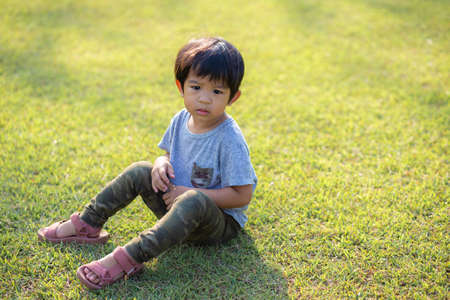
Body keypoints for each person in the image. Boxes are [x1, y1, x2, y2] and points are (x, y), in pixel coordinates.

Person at [38, 37, 258, 290]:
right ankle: (88, 223)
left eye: (217, 91)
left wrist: (191, 193)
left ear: (233, 97)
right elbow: (169, 154)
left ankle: (127, 259)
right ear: (181, 86)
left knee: (193, 200)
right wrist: (160, 163)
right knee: (141, 169)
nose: (205, 99)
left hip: (216, 224)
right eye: (196, 87)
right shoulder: (181, 119)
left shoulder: (229, 138)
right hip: (176, 206)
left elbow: (242, 195)